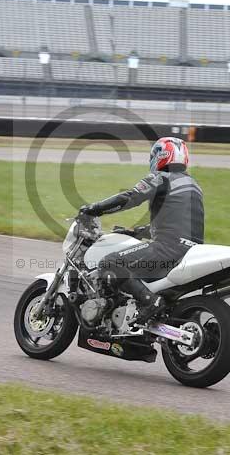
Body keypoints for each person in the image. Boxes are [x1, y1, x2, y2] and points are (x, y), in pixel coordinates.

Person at [78, 137, 204, 323]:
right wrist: (134, 232)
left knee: (109, 263)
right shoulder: (193, 185)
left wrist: (94, 209)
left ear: (160, 156)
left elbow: (130, 197)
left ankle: (149, 302)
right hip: (191, 252)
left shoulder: (161, 178)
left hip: (167, 249)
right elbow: (175, 224)